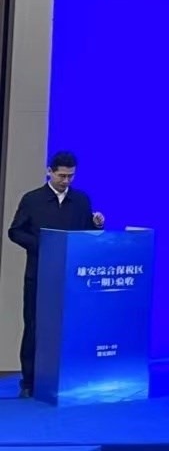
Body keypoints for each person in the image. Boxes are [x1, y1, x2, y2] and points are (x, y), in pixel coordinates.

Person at [6, 151, 104, 398]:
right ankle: (29, 381)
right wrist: (45, 246)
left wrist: (96, 225)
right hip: (39, 276)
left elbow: (86, 235)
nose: (66, 181)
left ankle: (68, 378)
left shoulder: (81, 200)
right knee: (35, 326)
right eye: (61, 175)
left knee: (70, 326)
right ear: (49, 171)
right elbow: (15, 231)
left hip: (71, 277)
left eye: (71, 176)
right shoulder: (33, 199)